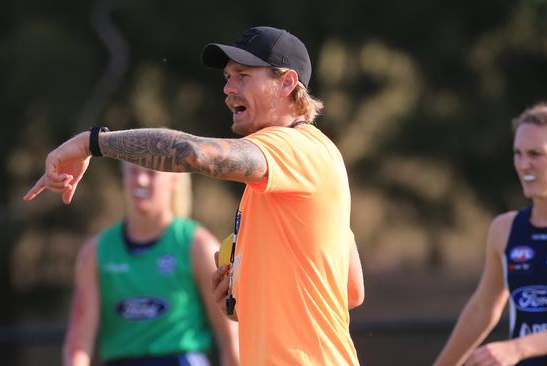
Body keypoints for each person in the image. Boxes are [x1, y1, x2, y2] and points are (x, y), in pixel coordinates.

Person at [24, 26, 365, 366]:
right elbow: (351, 290)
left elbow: (193, 154)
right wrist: (247, 296)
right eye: (229, 77)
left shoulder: (296, 147)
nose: (228, 89)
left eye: (243, 76)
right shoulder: (305, 163)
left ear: (287, 83)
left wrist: (92, 142)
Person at [434, 104, 547, 366]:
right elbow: (482, 310)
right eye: (518, 154)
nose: (523, 164)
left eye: (535, 154)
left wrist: (518, 348)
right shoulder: (504, 229)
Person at [63, 162, 239, 366]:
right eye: (134, 171)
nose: (140, 179)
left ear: (174, 179)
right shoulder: (95, 253)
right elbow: (79, 343)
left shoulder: (198, 246)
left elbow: (231, 337)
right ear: (123, 178)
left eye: (150, 172)